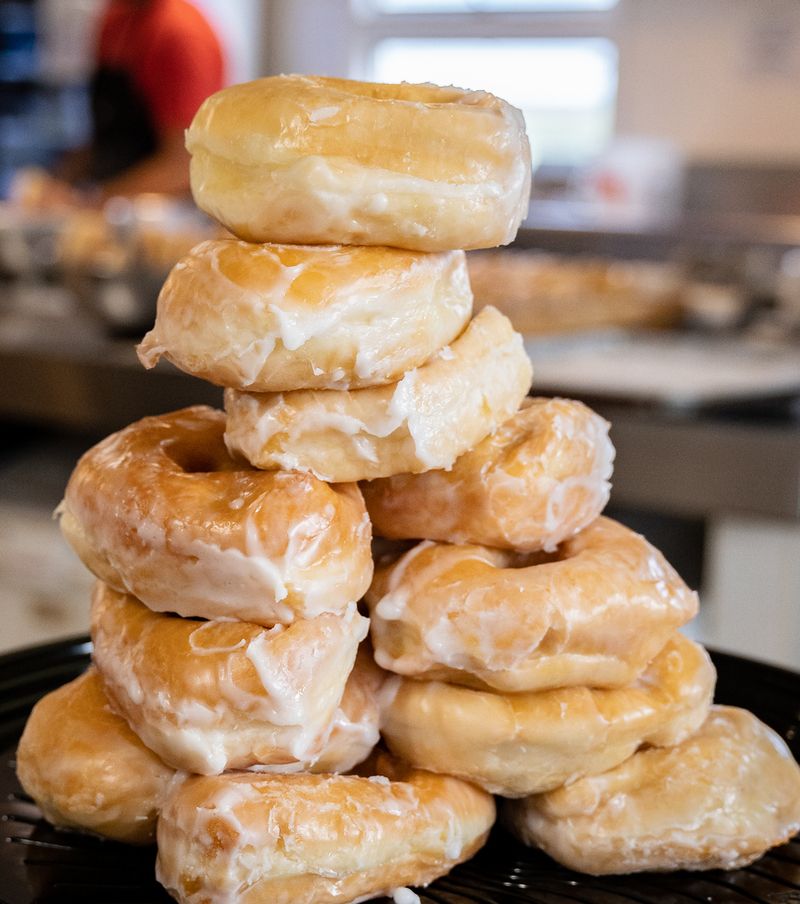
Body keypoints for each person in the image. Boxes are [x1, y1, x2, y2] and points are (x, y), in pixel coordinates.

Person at [33, 0, 226, 207]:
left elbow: (182, 166)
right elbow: (110, 135)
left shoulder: (179, 34)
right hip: (109, 202)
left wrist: (89, 202)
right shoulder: (114, 19)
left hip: (164, 215)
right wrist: (59, 182)